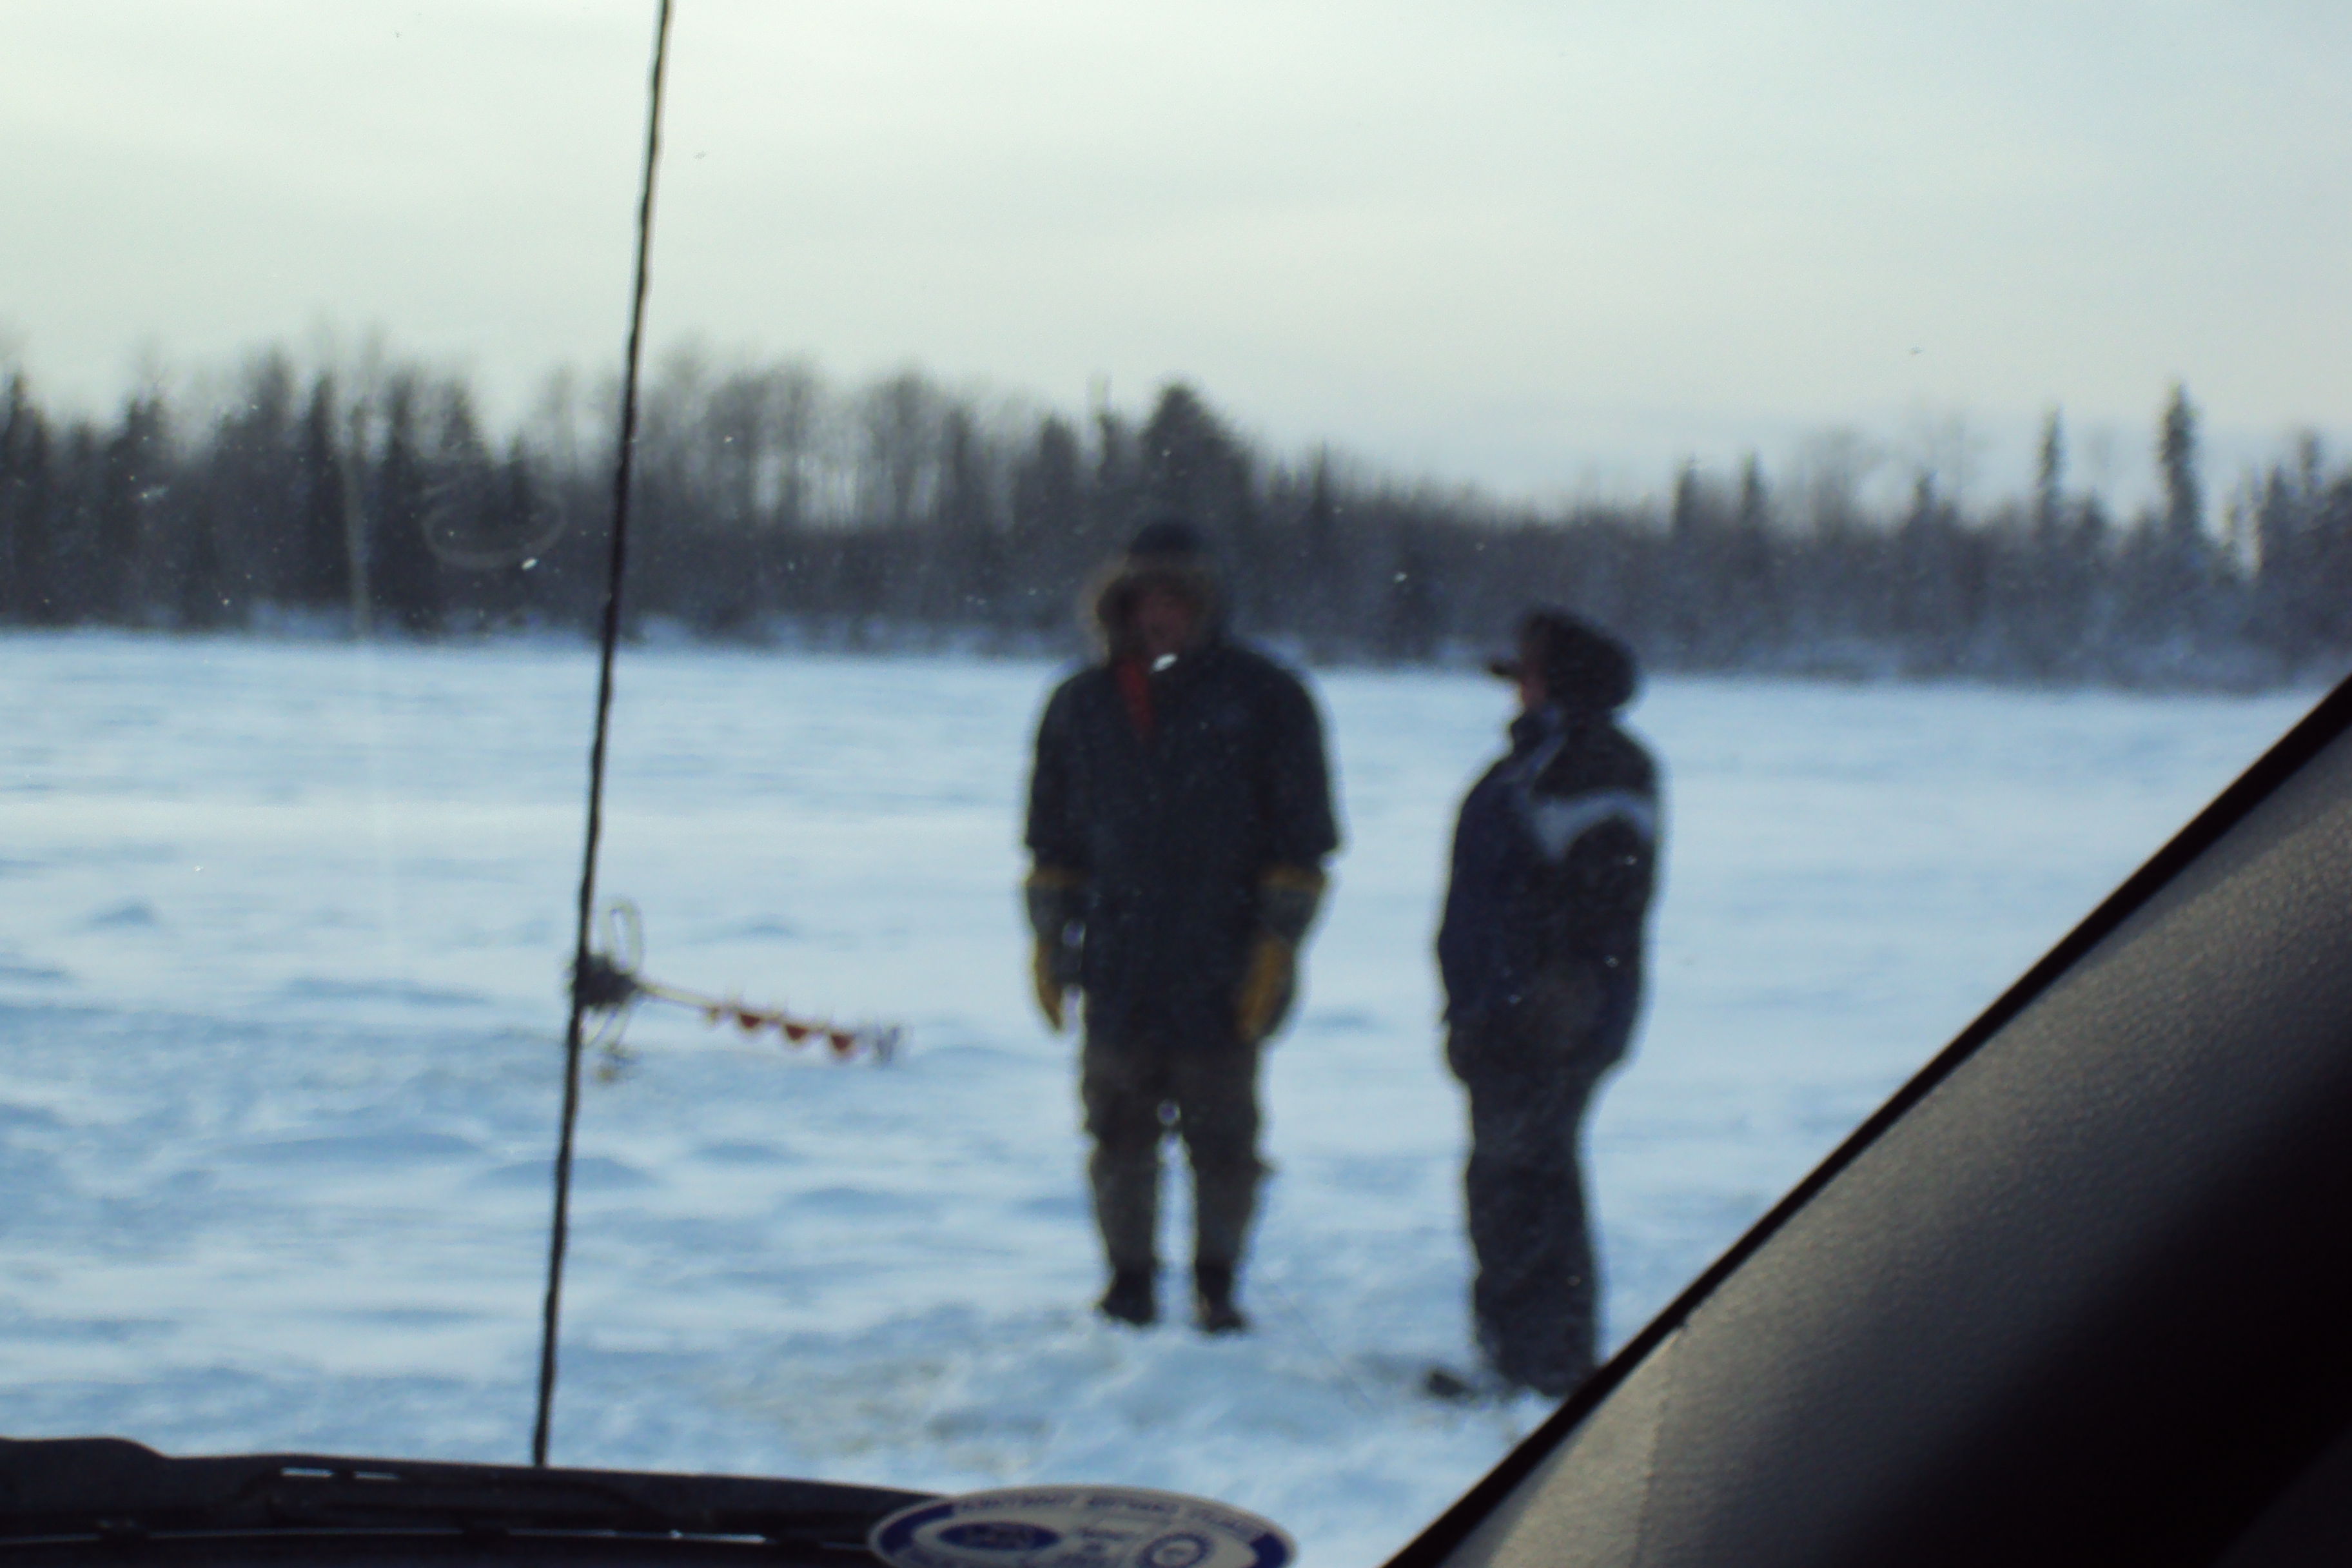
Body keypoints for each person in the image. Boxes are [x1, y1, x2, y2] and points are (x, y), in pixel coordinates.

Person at [1023, 516, 1340, 1333]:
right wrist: (1048, 938)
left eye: (1177, 601)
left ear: (1205, 606)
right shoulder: (1082, 703)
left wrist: (1276, 946)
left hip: (1224, 966)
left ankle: (1218, 1280)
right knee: (1117, 1135)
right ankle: (1128, 1280)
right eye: (1146, 601)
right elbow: (1053, 840)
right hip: (1119, 963)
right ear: (1121, 605)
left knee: (1224, 1142)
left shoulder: (1267, 697)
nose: (1161, 617)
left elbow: (1304, 841)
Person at [1435, 606, 1658, 1398]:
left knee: (1525, 1183)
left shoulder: (1594, 761)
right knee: (1514, 1181)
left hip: (1548, 1023)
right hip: (1504, 1015)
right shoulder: (1538, 759)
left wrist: (1558, 995)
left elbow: (1604, 895)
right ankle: (1522, 1357)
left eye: (1527, 673)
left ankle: (1546, 1368)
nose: (1515, 689)